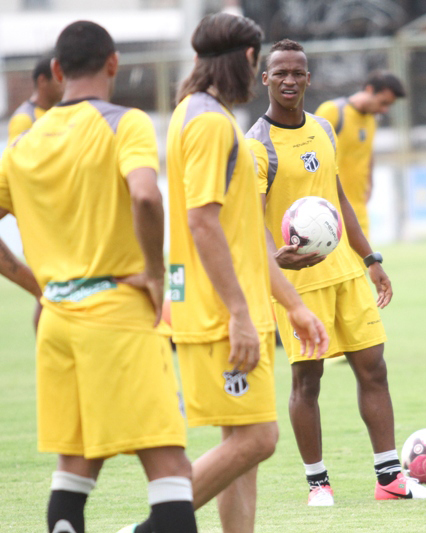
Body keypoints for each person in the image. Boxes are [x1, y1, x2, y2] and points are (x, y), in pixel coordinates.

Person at [123, 14, 328, 533]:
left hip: (230, 307)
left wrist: (293, 304)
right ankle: (148, 529)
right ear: (248, 60)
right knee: (258, 439)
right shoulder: (211, 123)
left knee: (242, 448)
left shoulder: (195, 112)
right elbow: (202, 223)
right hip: (220, 314)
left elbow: (246, 233)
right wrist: (239, 312)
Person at [0, 21, 197, 533]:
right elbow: (147, 196)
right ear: (113, 64)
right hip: (115, 314)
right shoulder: (123, 122)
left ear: (58, 70)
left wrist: (37, 286)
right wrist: (155, 275)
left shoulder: (22, 145)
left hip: (57, 321)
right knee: (171, 472)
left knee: (74, 468)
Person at [246, 38, 426, 506]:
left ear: (308, 78)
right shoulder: (256, 145)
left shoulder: (322, 129)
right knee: (307, 381)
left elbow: (337, 200)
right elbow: (249, 223)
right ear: (265, 79)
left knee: (374, 370)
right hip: (297, 284)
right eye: (281, 73)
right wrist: (276, 258)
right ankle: (318, 483)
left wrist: (371, 259)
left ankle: (390, 479)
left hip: (347, 275)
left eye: (298, 73)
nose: (290, 80)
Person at [314, 71, 406, 239]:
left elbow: (367, 152)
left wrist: (370, 183)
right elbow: (311, 152)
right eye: (383, 102)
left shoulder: (371, 120)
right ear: (369, 90)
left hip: (358, 209)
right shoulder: (332, 112)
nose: (384, 110)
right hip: (329, 210)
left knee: (364, 263)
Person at [8, 52, 63, 140]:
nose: (63, 84)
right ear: (42, 81)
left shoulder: (58, 112)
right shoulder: (24, 119)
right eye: (58, 78)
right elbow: (15, 153)